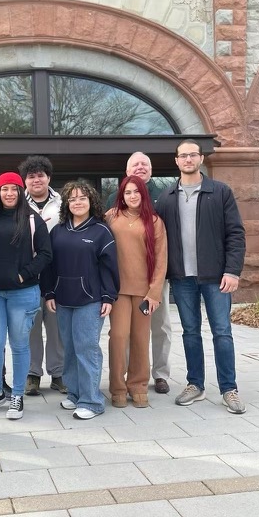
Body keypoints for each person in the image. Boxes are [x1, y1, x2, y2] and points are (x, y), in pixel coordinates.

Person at [156, 140, 247, 414]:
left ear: (201, 158)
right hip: (182, 278)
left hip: (216, 277)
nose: (187, 159)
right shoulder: (167, 197)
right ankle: (195, 384)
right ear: (176, 161)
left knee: (222, 332)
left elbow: (236, 234)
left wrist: (232, 271)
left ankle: (229, 389)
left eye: (192, 154)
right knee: (190, 333)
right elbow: (157, 238)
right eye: (183, 155)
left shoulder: (219, 192)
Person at [0, 172, 52, 420]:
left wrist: (24, 275)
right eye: (5, 189)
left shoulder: (32, 220)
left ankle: (17, 395)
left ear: (20, 192)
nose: (9, 193)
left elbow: (45, 254)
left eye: (14, 189)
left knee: (19, 346)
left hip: (23, 292)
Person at [41, 180, 119, 420]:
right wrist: (49, 293)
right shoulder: (58, 230)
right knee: (70, 349)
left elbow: (109, 267)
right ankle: (75, 393)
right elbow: (49, 266)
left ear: (91, 201)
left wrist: (108, 295)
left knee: (87, 348)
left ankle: (92, 401)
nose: (77, 202)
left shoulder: (101, 231)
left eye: (82, 198)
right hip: (63, 299)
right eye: (72, 198)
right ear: (66, 203)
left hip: (91, 299)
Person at [108, 152, 172, 394]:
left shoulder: (161, 204)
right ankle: (118, 385)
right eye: (135, 164)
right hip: (118, 289)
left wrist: (154, 291)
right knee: (120, 336)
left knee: (150, 333)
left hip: (149, 287)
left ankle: (146, 381)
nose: (140, 167)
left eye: (145, 164)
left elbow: (162, 254)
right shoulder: (111, 215)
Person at [18, 155, 66, 397]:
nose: (36, 179)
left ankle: (58, 373)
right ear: (25, 181)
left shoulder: (62, 203)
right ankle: (33, 374)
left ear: (49, 177)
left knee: (56, 325)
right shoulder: (17, 203)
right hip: (28, 275)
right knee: (31, 326)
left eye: (41, 175)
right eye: (31, 176)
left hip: (57, 272)